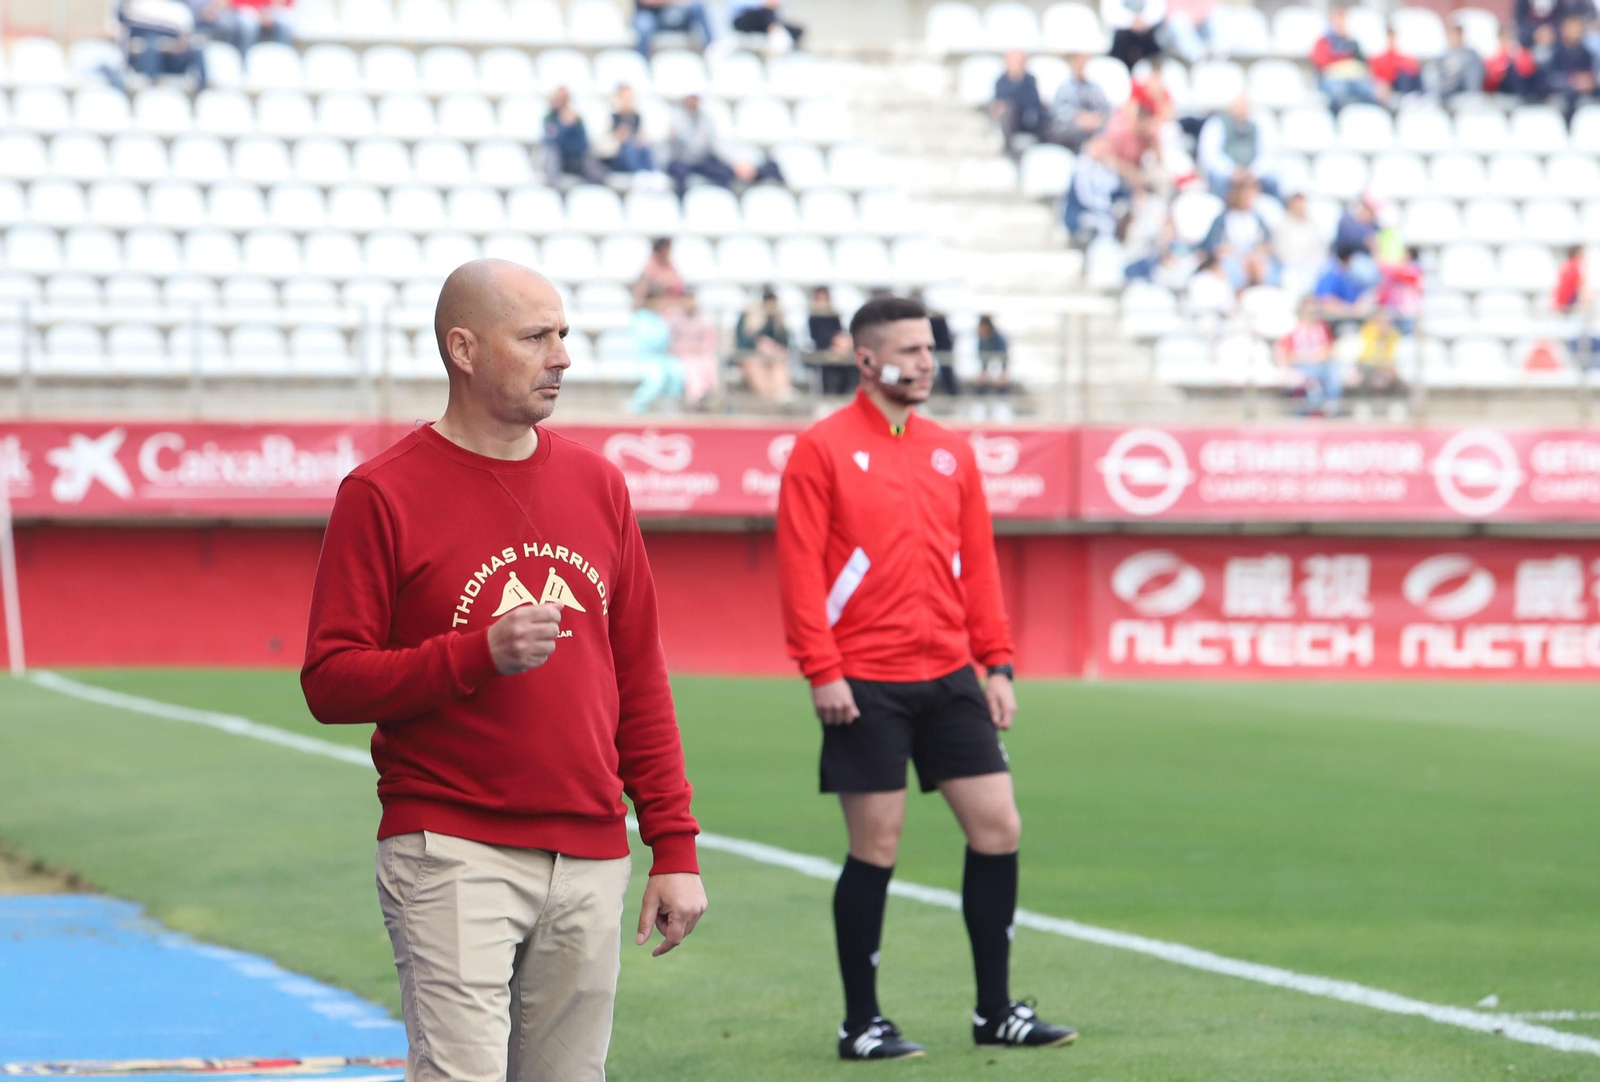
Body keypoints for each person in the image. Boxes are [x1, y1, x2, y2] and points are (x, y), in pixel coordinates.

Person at [300, 259, 707, 1082]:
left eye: (563, 335)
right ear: (464, 349)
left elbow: (639, 679)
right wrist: (476, 654)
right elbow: (330, 681)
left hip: (593, 854)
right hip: (450, 849)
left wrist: (673, 846)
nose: (561, 356)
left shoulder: (600, 485)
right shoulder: (381, 493)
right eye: (535, 337)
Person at [775, 296, 1077, 1062]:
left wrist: (998, 662)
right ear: (867, 359)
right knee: (877, 845)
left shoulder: (952, 450)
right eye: (908, 349)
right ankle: (861, 1023)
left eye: (930, 348)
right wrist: (822, 670)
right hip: (863, 681)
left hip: (949, 676)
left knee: (999, 826)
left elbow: (978, 564)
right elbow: (800, 572)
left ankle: (996, 1011)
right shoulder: (823, 448)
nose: (925, 361)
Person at [666, 93, 784, 199]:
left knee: (723, 172)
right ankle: (681, 201)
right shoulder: (675, 117)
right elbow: (677, 146)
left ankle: (724, 199)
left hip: (702, 159)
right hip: (681, 160)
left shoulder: (706, 119)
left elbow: (712, 144)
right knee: (679, 173)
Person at [1196, 94, 1277, 199]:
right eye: (1239, 106)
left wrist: (1253, 172)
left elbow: (1267, 154)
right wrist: (1232, 171)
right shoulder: (1217, 124)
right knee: (1219, 182)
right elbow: (1210, 155)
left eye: (1245, 106)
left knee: (1272, 183)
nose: (1242, 110)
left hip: (1252, 174)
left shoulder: (1258, 126)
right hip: (1227, 174)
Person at [119, 0, 209, 90]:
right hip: (142, 54)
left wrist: (170, 46)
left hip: (172, 57)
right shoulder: (136, 5)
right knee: (151, 45)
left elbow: (185, 40)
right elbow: (127, 34)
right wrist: (159, 44)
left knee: (197, 50)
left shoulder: (181, 10)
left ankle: (203, 88)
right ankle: (150, 89)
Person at [1277, 298, 1343, 414]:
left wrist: (1320, 356)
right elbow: (1287, 354)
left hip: (1322, 364)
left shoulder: (1322, 327)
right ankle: (1313, 410)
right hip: (1301, 365)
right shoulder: (1293, 330)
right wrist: (1308, 358)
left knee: (1334, 373)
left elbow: (1329, 348)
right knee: (1313, 381)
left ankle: (1332, 408)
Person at [629, 289, 687, 413]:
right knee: (656, 379)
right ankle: (636, 405)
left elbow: (668, 341)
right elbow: (650, 342)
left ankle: (669, 405)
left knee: (677, 372)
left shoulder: (661, 318)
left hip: (663, 357)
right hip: (645, 357)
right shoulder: (641, 317)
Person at [1311, 7, 1378, 113]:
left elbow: (1362, 62)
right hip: (1332, 79)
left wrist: (1351, 43)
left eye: (1342, 22)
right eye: (1337, 23)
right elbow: (1322, 65)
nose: (1340, 25)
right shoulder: (1323, 42)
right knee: (1339, 93)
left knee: (1369, 91)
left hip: (1352, 79)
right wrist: (1341, 66)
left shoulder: (1351, 42)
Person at [1063, 134, 1125, 242]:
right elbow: (1086, 198)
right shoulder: (1081, 167)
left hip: (1103, 213)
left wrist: (1110, 166)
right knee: (1105, 226)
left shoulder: (1103, 167)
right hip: (1080, 214)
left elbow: (1113, 188)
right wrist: (1109, 207)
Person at [735, 289, 793, 402]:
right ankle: (768, 400)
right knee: (755, 366)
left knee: (779, 366)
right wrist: (758, 342)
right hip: (751, 357)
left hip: (772, 358)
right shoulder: (748, 317)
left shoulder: (776, 321)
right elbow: (741, 344)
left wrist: (772, 348)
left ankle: (779, 398)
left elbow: (785, 344)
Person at [1046, 52, 1111, 151]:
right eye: (1077, 63)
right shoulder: (1064, 87)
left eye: (1083, 63)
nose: (1080, 67)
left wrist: (1094, 118)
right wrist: (1078, 117)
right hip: (1071, 131)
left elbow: (1105, 110)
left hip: (1095, 130)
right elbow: (1057, 113)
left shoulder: (1095, 87)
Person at [543, 86, 607, 185]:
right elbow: (550, 141)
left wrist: (572, 124)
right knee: (552, 154)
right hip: (559, 159)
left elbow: (584, 143)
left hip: (575, 158)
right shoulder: (549, 118)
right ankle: (554, 187)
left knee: (590, 162)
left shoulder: (577, 119)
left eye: (565, 98)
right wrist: (565, 126)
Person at [669, 287, 719, 408]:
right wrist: (686, 349)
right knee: (692, 367)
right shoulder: (674, 317)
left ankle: (713, 398)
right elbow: (670, 342)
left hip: (700, 354)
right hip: (682, 355)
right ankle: (694, 400)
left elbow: (709, 340)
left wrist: (701, 349)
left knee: (710, 363)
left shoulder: (702, 317)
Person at [990, 50, 1047, 156]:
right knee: (1007, 111)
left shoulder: (1030, 80)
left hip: (1029, 120)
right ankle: (1007, 148)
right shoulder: (1001, 81)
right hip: (1012, 122)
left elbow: (1033, 102)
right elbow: (1000, 104)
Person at [1274, 192, 1328, 303]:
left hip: (1312, 267)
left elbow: (1320, 250)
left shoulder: (1312, 225)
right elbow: (1281, 251)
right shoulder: (1282, 224)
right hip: (1290, 268)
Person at [807, 285, 857, 395]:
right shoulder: (813, 316)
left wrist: (840, 344)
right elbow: (815, 336)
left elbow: (839, 331)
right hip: (824, 348)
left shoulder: (833, 314)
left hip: (837, 347)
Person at [1313, 245, 1375, 333]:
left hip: (1352, 317)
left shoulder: (1350, 275)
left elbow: (1361, 296)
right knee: (1349, 330)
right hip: (1335, 322)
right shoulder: (1330, 275)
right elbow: (1327, 303)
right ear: (1348, 258)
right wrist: (1353, 310)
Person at [1547, 14, 1595, 119]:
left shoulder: (1586, 53)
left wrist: (1589, 81)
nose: (1577, 31)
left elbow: (1591, 75)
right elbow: (1549, 79)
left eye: (1579, 27)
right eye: (1573, 27)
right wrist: (1573, 81)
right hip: (1562, 95)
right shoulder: (1555, 53)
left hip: (1584, 94)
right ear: (1564, 29)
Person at [604, 84, 656, 174]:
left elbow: (644, 138)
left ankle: (649, 175)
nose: (628, 101)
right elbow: (602, 148)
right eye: (624, 97)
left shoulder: (637, 117)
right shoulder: (611, 118)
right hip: (616, 159)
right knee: (628, 147)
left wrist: (639, 140)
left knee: (645, 149)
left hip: (636, 154)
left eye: (630, 98)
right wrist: (618, 138)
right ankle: (638, 175)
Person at [633, 0, 713, 57]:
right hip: (648, 14)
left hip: (669, 13)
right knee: (644, 27)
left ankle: (711, 48)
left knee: (697, 7)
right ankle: (642, 62)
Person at [974, 314, 1014, 421]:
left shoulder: (999, 338)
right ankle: (981, 409)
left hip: (999, 365)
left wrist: (1004, 372)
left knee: (1002, 382)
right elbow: (981, 357)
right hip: (988, 365)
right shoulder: (981, 338)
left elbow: (1004, 355)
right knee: (981, 382)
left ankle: (1002, 408)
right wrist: (983, 371)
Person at [1107, 0, 1167, 71]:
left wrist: (1145, 20)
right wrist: (1130, 21)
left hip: (1148, 30)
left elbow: (1159, 10)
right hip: (1121, 32)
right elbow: (1109, 13)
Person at [1431, 22, 1485, 100]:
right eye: (1453, 35)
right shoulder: (1443, 56)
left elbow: (1474, 79)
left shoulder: (1471, 55)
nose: (1456, 39)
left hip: (1466, 95)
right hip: (1446, 96)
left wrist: (1473, 96)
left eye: (1458, 36)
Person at [1370, 27, 1423, 102]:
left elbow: (1413, 69)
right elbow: (1379, 77)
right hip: (1392, 85)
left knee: (1411, 73)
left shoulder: (1404, 56)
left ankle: (1419, 96)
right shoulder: (1379, 58)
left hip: (1405, 83)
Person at [729, 0, 804, 51]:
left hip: (766, 21)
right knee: (767, 12)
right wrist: (762, 3)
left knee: (797, 31)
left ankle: (782, 40)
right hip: (744, 19)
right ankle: (778, 42)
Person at [634, 237, 686, 306]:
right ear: (661, 249)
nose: (669, 251)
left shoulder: (669, 265)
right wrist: (663, 283)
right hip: (652, 307)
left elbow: (679, 284)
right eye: (667, 248)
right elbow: (643, 291)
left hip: (671, 306)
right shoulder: (650, 265)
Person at [229, 0, 295, 51]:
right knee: (248, 25)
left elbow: (280, 3)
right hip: (244, 9)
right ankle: (246, 57)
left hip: (267, 9)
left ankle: (283, 57)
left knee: (285, 23)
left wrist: (266, 12)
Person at [1554, 244, 1588, 314]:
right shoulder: (1576, 267)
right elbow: (1582, 289)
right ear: (1577, 254)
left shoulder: (1565, 265)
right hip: (1568, 305)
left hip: (1560, 304)